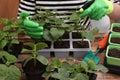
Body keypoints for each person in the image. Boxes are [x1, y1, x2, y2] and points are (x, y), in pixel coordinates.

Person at [18, 0, 120, 39]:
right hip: (45, 39)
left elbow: (118, 10)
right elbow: (22, 18)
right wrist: (25, 25)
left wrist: (109, 6)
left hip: (82, 38)